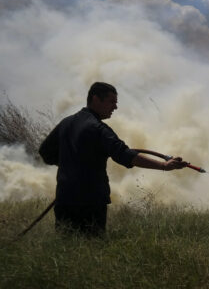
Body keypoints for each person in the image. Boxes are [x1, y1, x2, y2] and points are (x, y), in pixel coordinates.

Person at [38, 82, 188, 236]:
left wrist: (70, 164)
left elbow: (45, 153)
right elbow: (126, 155)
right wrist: (164, 165)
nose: (115, 107)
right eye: (112, 102)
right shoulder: (98, 129)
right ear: (96, 99)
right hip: (91, 203)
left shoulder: (66, 123)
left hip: (64, 199)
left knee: (65, 250)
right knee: (92, 249)